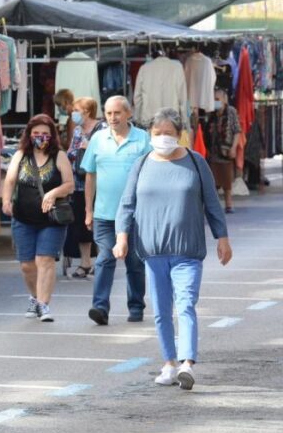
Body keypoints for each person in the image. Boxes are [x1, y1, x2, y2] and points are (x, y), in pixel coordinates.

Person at [115, 108, 232, 390]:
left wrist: (222, 238)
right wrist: (122, 238)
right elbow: (127, 204)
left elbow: (212, 203)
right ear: (150, 135)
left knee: (186, 304)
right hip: (152, 251)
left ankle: (187, 364)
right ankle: (168, 363)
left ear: (179, 135)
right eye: (158, 133)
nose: (163, 138)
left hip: (187, 251)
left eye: (169, 133)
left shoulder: (195, 161)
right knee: (161, 310)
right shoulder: (142, 163)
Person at [81, 96, 152, 325]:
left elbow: (152, 174)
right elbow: (90, 175)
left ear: (128, 114)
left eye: (117, 113)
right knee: (104, 258)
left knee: (134, 261)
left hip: (135, 214)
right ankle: (100, 307)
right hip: (104, 213)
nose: (112, 118)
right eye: (109, 113)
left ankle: (136, 306)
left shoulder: (142, 139)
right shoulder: (98, 139)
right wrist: (88, 210)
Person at [2, 114, 75, 322]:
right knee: (27, 265)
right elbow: (9, 180)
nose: (40, 137)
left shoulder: (59, 156)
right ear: (29, 135)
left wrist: (53, 193)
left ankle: (44, 304)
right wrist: (6, 201)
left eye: (45, 134)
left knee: (45, 260)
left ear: (52, 135)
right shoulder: (20, 155)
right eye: (36, 133)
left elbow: (69, 184)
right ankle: (34, 298)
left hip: (51, 220)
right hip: (23, 218)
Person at [64, 97, 104, 278]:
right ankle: (85, 262)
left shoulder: (102, 129)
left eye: (76, 110)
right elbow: (71, 152)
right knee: (81, 223)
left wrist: (89, 148)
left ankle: (102, 261)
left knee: (99, 223)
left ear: (86, 112)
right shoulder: (78, 130)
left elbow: (106, 152)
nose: (73, 113)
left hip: (99, 183)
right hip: (79, 183)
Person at [204, 87, 242, 214]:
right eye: (214, 99)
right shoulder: (212, 113)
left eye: (217, 99)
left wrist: (233, 147)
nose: (215, 102)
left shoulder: (231, 111)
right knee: (213, 180)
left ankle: (229, 204)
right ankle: (213, 206)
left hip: (226, 150)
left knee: (227, 179)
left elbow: (237, 131)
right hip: (214, 152)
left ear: (224, 100)